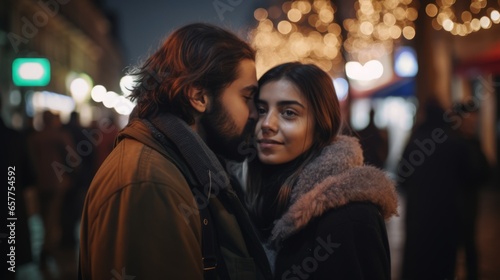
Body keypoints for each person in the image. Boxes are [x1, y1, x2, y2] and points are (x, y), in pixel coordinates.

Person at [79, 23, 272, 279]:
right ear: (199, 97)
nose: (254, 115)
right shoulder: (149, 182)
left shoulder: (179, 164)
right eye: (246, 98)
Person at [245, 62, 398, 279]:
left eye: (288, 113)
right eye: (261, 110)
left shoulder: (350, 216)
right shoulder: (261, 197)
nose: (267, 123)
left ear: (321, 125)